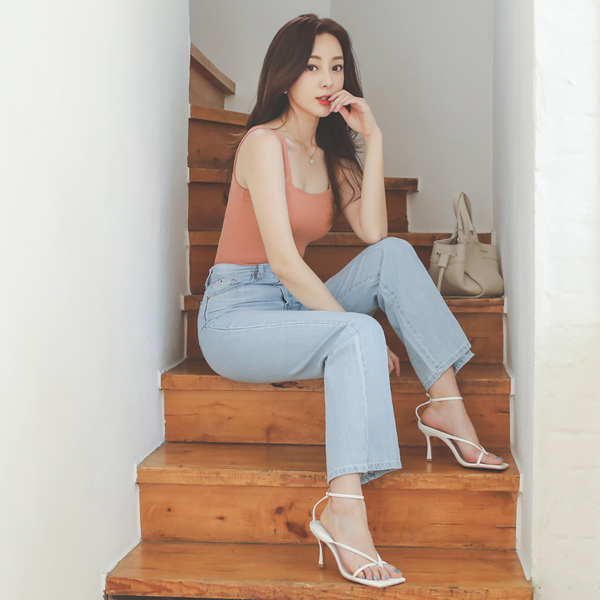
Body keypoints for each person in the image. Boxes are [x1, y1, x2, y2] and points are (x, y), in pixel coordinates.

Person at [198, 13, 508, 589]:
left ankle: (447, 408)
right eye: (312, 66)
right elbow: (285, 262)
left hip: (292, 307)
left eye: (336, 67)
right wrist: (355, 331)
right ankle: (343, 510)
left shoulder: (330, 153)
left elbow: (373, 232)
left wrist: (374, 138)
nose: (326, 79)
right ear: (285, 74)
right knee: (358, 331)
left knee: (394, 253)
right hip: (237, 314)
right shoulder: (262, 144)